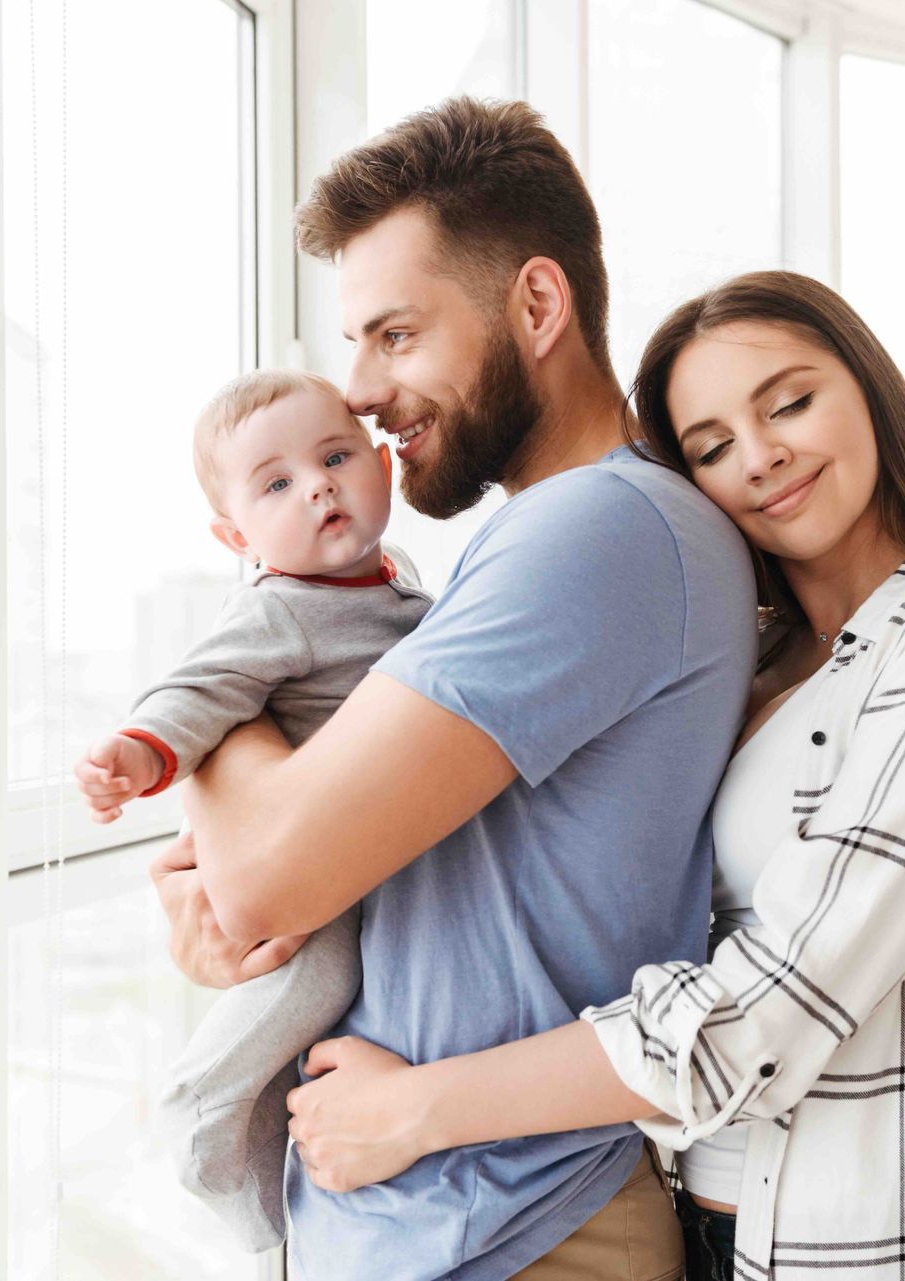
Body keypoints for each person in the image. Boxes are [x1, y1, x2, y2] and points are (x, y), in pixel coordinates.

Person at [282, 272, 905, 1281]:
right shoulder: (755, 666)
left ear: (871, 393)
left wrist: (416, 1110)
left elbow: (773, 1004)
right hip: (699, 1229)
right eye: (709, 447)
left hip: (881, 1247)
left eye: (789, 402)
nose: (761, 457)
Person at [149, 98, 757, 1280]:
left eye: (396, 336)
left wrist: (238, 661)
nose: (362, 391)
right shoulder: (530, 536)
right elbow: (292, 887)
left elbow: (271, 868)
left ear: (536, 305)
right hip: (446, 1219)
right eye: (355, 344)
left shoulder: (597, 532)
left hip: (515, 1229)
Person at [73, 369, 430, 1250]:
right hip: (324, 886)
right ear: (237, 534)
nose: (317, 485)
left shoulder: (405, 591)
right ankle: (220, 1154)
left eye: (337, 457)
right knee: (310, 989)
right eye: (277, 483)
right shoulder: (279, 609)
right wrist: (140, 752)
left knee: (305, 1058)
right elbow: (199, 688)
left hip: (387, 859)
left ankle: (281, 1215)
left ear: (383, 469)